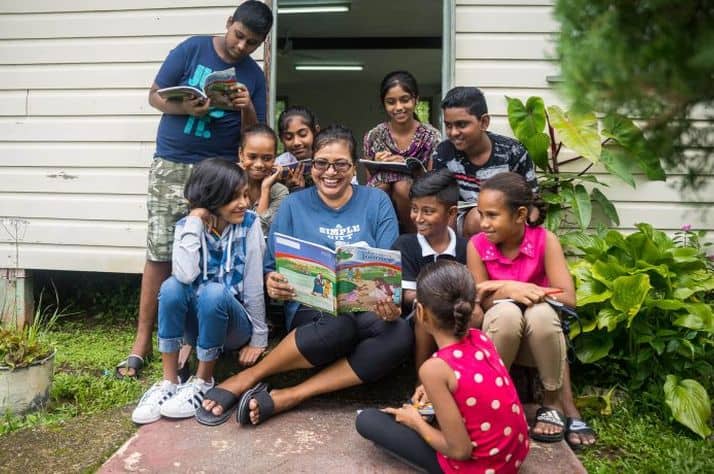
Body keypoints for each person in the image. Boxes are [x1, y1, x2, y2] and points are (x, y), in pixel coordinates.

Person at [198, 124, 413, 425]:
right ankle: (250, 376)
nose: (330, 172)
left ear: (354, 167)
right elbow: (272, 267)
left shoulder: (376, 202)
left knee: (400, 333)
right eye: (321, 163)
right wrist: (272, 283)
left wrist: (389, 307)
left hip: (366, 308)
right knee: (339, 327)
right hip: (311, 311)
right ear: (312, 165)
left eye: (341, 164)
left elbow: (387, 267)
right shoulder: (293, 205)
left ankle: (293, 394)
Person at [117, 1, 273, 379]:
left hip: (218, 170)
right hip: (173, 160)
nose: (241, 47)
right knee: (158, 249)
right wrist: (186, 108)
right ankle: (142, 341)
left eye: (252, 43)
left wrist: (246, 106)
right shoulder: (191, 48)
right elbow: (155, 96)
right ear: (228, 23)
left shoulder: (253, 75)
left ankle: (193, 334)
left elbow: (256, 134)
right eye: (239, 36)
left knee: (210, 248)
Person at [356, 260, 529, 473]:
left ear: (420, 311)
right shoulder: (480, 338)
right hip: (513, 455)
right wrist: (431, 390)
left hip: (480, 467)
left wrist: (415, 422)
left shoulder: (434, 369)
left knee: (366, 420)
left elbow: (460, 451)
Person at [131, 159, 267, 425]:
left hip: (233, 325)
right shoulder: (186, 227)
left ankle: (203, 381)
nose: (244, 203)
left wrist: (259, 338)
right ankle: (169, 382)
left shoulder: (250, 226)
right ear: (212, 198)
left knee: (213, 292)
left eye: (244, 194)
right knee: (171, 286)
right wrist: (194, 222)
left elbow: (253, 285)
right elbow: (184, 275)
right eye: (234, 197)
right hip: (196, 324)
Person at [467, 171, 574, 443]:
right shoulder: (477, 246)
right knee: (506, 313)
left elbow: (568, 298)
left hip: (542, 342)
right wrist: (511, 289)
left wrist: (513, 290)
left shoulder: (545, 240)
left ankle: (552, 402)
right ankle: (495, 401)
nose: (484, 223)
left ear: (520, 214)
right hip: (501, 334)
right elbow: (479, 299)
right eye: (481, 214)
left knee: (539, 314)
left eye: (492, 215)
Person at [432, 86, 538, 240]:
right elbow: (440, 202)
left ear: (484, 122)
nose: (453, 132)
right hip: (464, 225)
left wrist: (531, 238)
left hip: (509, 221)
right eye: (448, 125)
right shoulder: (443, 153)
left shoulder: (513, 152)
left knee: (482, 216)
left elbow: (533, 201)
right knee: (473, 217)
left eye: (462, 125)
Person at [391, 169, 468, 371]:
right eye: (414, 209)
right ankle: (421, 380)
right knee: (426, 309)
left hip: (458, 313)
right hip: (418, 318)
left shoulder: (465, 248)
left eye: (428, 211)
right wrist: (439, 303)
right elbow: (407, 294)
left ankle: (465, 373)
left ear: (451, 213)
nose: (418, 217)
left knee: (473, 314)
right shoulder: (405, 245)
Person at [364, 71, 441, 233]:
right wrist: (378, 163)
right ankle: (376, 239)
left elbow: (434, 184)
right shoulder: (374, 136)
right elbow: (368, 181)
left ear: (416, 99)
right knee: (381, 184)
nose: (398, 107)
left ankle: (417, 239)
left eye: (404, 100)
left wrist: (409, 168)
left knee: (401, 185)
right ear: (384, 104)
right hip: (382, 195)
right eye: (391, 102)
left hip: (418, 202)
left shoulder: (431, 136)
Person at [238, 124, 288, 235]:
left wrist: (265, 189)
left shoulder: (279, 192)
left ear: (274, 158)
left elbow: (259, 233)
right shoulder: (227, 182)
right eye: (252, 157)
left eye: (267, 158)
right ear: (241, 154)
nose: (259, 164)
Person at [275, 105, 320, 190]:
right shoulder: (279, 165)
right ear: (281, 139)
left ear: (316, 131)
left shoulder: (328, 160)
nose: (296, 142)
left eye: (302, 134)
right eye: (288, 137)